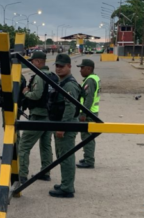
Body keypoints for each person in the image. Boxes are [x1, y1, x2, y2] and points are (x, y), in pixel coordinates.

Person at [18, 51, 57, 183]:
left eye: (32, 61)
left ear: (39, 62)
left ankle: (22, 175)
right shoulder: (52, 76)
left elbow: (36, 95)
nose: (31, 64)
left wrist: (26, 92)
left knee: (24, 145)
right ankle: (45, 172)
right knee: (46, 145)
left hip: (39, 116)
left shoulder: (40, 76)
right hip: (50, 115)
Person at [47, 54, 81, 198]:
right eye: (57, 66)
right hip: (62, 124)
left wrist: (63, 127)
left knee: (66, 156)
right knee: (61, 155)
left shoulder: (69, 85)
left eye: (62, 66)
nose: (59, 69)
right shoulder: (63, 82)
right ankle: (65, 183)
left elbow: (70, 107)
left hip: (66, 126)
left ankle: (67, 188)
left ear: (69, 66)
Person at [76, 59, 100, 169]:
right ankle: (87, 157)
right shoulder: (93, 78)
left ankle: (89, 160)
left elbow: (89, 99)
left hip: (89, 113)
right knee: (88, 136)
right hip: (92, 112)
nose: (80, 70)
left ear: (89, 69)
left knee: (87, 137)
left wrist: (83, 114)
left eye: (82, 68)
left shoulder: (90, 80)